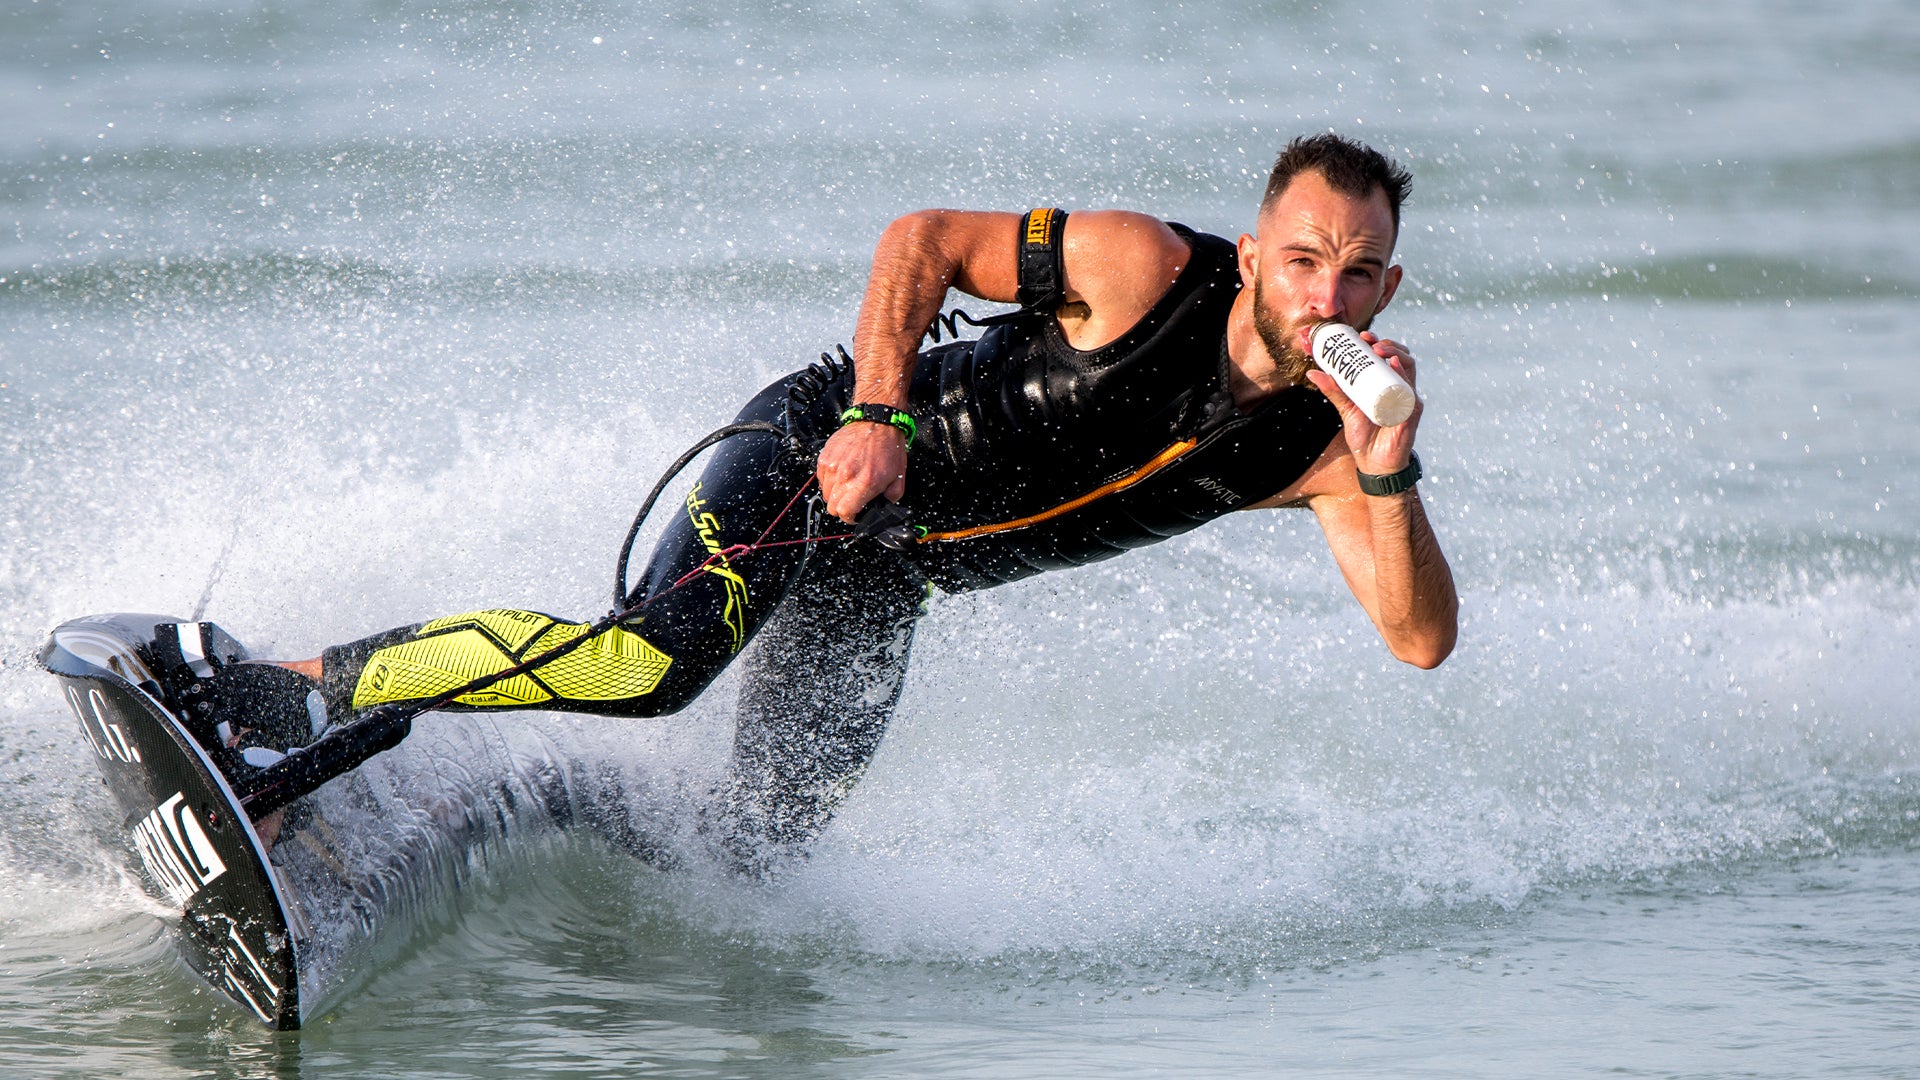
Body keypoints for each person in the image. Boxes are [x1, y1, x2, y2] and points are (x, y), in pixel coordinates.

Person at [204, 133, 1457, 873]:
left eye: (1355, 276)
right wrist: (877, 415)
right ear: (1257, 255)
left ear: (1387, 289)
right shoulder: (1145, 270)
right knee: (650, 662)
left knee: (749, 853)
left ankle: (487, 800)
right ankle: (259, 694)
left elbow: (1418, 638)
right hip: (819, 452)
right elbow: (922, 238)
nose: (1323, 300)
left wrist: (1386, 468)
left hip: (883, 580)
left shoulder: (1328, 450)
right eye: (1302, 263)